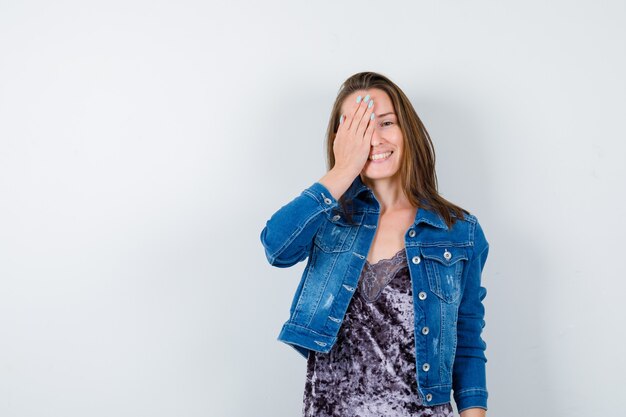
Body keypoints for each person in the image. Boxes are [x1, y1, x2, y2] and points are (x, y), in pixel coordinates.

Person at [259, 71, 490, 417]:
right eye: (359, 128)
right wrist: (342, 171)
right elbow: (276, 248)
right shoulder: (327, 219)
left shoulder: (458, 231)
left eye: (384, 123)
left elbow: (467, 340)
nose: (374, 139)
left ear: (406, 130)